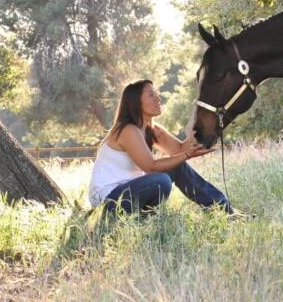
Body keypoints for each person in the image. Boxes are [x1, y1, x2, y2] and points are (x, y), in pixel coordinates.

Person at [88, 79, 232, 216]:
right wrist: (187, 155)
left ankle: (223, 209)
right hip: (108, 199)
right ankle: (142, 216)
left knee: (177, 167)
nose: (158, 98)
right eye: (151, 95)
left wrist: (203, 128)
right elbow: (151, 167)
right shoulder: (128, 130)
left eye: (157, 94)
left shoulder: (152, 130)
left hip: (130, 191)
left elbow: (179, 149)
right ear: (136, 102)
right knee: (161, 180)